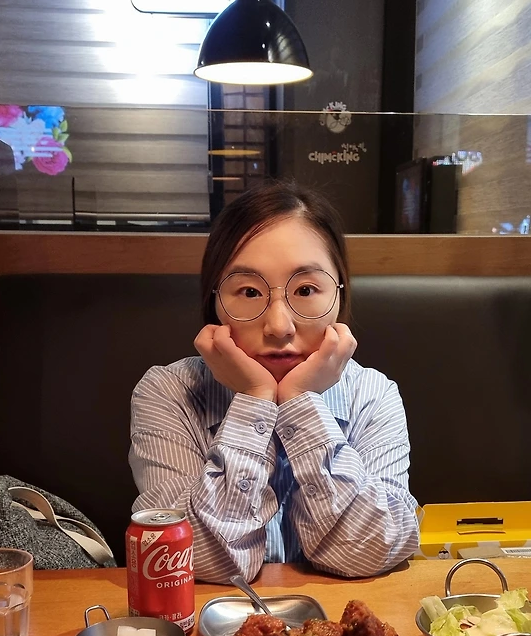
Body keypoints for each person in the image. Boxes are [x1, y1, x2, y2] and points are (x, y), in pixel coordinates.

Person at [129, 181, 420, 583]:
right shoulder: (169, 393)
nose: (279, 327)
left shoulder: (372, 395)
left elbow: (369, 552)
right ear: (214, 302)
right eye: (249, 291)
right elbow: (196, 561)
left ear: (339, 294)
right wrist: (255, 399)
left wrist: (301, 400)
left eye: (306, 289)